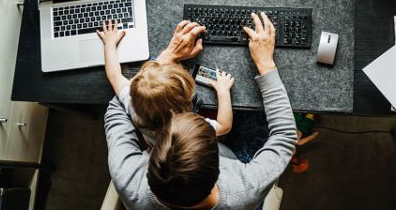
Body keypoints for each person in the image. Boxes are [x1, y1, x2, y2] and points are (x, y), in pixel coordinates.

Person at [104, 13, 298, 209]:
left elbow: (117, 108)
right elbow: (285, 135)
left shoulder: (127, 180)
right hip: (235, 157)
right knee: (254, 120)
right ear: (217, 169)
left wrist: (164, 60)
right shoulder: (245, 189)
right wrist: (266, 64)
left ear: (153, 160)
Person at [97, 20, 235, 144]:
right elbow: (224, 126)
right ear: (186, 102)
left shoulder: (132, 102)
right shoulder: (188, 128)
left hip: (154, 142)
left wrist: (109, 44)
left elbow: (114, 75)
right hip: (182, 143)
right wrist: (223, 92)